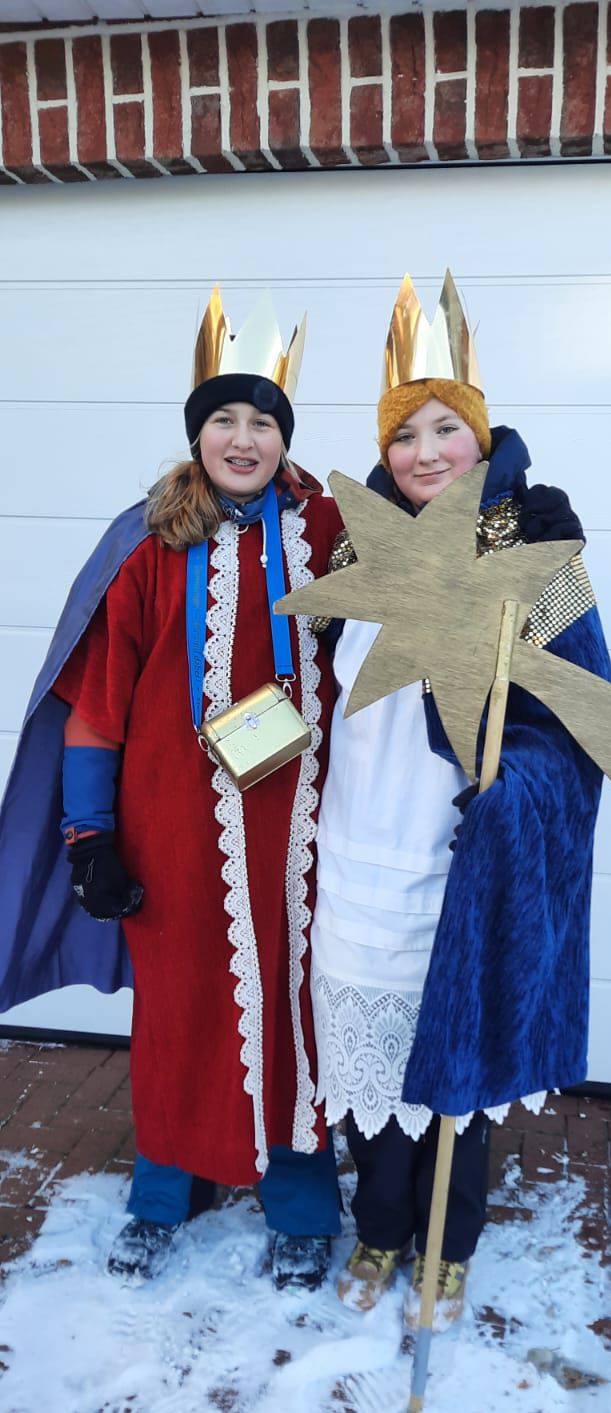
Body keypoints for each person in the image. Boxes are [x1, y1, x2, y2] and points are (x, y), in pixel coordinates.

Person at [0, 288, 343, 1287]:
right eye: (223, 419)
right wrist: (89, 835)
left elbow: (434, 575)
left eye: (263, 421)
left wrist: (513, 519)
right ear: (197, 434)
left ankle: (300, 1197)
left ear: (284, 436)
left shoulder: (328, 530)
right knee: (178, 1007)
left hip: (301, 825)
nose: (243, 438)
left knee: (296, 1003)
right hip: (172, 828)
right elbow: (97, 708)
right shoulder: (149, 541)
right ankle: (164, 1189)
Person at [309, 273, 611, 1330]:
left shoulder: (532, 549)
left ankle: (448, 1242)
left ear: (480, 436)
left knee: (457, 1059)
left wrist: (511, 792)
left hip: (457, 853)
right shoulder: (354, 547)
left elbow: (584, 715)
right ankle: (381, 1226)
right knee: (370, 1068)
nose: (425, 452)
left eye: (446, 428)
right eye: (404, 436)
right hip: (357, 849)